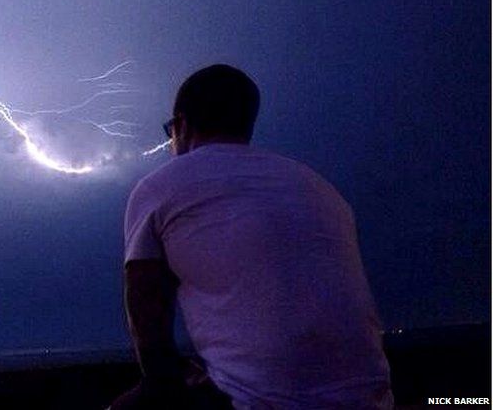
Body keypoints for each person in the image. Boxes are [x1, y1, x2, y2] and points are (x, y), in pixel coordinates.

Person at [111, 64, 393, 409]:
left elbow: (144, 301)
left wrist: (161, 382)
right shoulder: (317, 186)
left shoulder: (160, 186)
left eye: (170, 131)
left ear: (181, 125)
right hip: (371, 398)